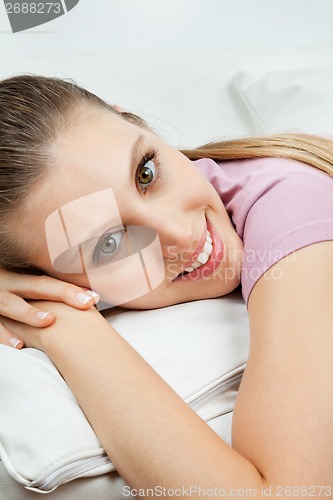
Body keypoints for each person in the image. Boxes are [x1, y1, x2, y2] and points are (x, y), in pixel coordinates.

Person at [0, 74, 332, 496]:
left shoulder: (292, 205)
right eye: (109, 243)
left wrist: (62, 324)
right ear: (47, 278)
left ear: (138, 123)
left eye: (146, 172)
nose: (179, 233)